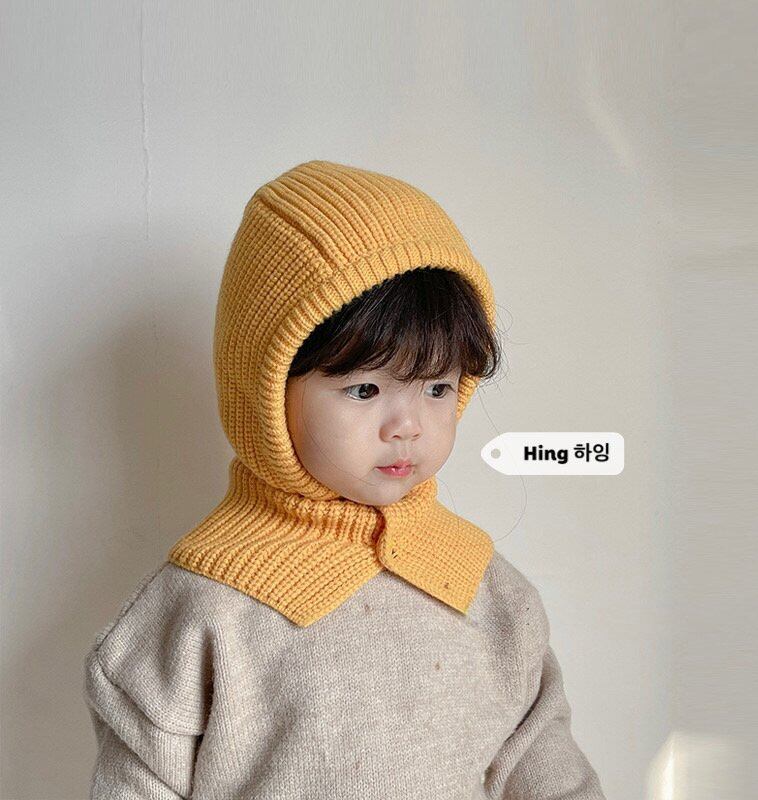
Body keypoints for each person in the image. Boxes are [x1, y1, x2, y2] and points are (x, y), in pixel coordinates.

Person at [83, 159, 606, 799]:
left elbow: (547, 770)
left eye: (438, 387)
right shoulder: (202, 608)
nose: (407, 426)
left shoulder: (488, 592)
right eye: (364, 389)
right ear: (266, 390)